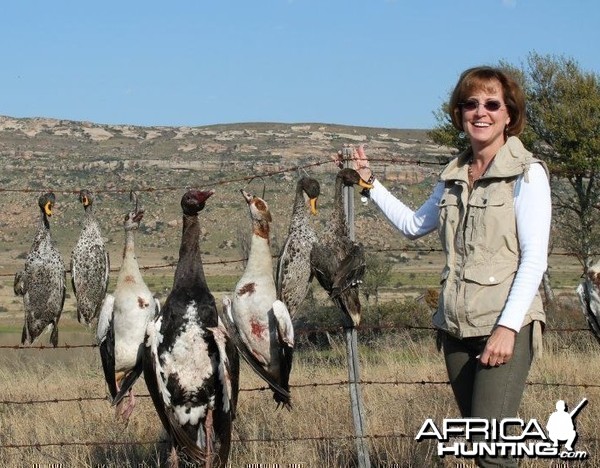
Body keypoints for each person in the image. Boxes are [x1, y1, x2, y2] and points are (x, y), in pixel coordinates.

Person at [339, 66, 552, 467]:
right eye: (470, 104)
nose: (480, 112)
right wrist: (370, 184)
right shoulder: (453, 176)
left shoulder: (527, 175)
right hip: (455, 330)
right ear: (459, 113)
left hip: (504, 326)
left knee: (494, 455)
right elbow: (414, 225)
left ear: (510, 114)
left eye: (492, 104)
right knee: (481, 448)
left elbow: (534, 258)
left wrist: (507, 329)